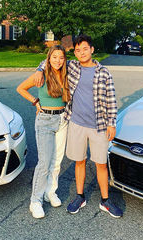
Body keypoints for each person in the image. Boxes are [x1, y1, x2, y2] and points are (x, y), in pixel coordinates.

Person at [34, 34, 123, 218]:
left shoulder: (104, 72)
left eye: (85, 49)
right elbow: (53, 60)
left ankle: (105, 201)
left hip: (99, 125)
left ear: (91, 49)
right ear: (75, 53)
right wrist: (39, 69)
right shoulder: (72, 67)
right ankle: (80, 196)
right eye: (78, 50)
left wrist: (111, 124)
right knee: (79, 161)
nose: (81, 52)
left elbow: (111, 100)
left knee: (100, 164)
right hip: (76, 123)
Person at [17, 45, 70, 219]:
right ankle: (35, 201)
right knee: (44, 162)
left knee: (57, 160)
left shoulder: (66, 73)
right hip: (45, 120)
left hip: (62, 120)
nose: (58, 60)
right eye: (54, 57)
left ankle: (50, 192)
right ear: (49, 58)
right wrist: (35, 102)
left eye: (61, 57)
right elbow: (21, 88)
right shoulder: (41, 74)